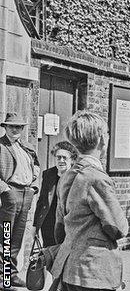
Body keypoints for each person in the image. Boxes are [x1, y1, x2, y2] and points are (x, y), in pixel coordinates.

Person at [52, 111, 129, 291]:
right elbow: (118, 227)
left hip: (69, 268)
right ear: (102, 139)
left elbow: (59, 227)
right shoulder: (96, 178)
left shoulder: (66, 176)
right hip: (93, 271)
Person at [0, 112, 40, 289]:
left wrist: (33, 187)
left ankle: (13, 275)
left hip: (26, 195)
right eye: (12, 126)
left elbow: (37, 166)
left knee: (17, 238)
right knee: (6, 237)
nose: (15, 130)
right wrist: (5, 190)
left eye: (18, 127)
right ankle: (4, 279)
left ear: (22, 129)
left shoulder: (27, 147)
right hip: (10, 195)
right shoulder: (1, 146)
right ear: (5, 127)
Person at [33, 141, 78, 247]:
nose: (61, 161)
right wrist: (35, 225)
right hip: (49, 222)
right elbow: (42, 200)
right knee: (49, 253)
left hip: (67, 222)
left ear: (71, 159)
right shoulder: (49, 174)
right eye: (58, 157)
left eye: (64, 158)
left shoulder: (76, 176)